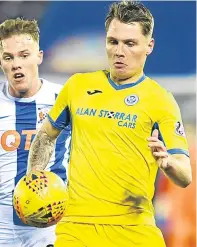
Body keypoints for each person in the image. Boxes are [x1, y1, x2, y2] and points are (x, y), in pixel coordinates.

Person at [27, 1, 192, 247]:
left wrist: (167, 164)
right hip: (76, 229)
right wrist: (34, 181)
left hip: (134, 230)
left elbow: (185, 175)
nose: (119, 51)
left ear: (149, 46)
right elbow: (46, 136)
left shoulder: (161, 100)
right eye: (113, 41)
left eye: (130, 44)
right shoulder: (77, 86)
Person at [0, 18, 71, 247]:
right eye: (8, 57)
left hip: (50, 228)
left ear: (39, 56)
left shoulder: (64, 100)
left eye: (24, 55)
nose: (16, 64)